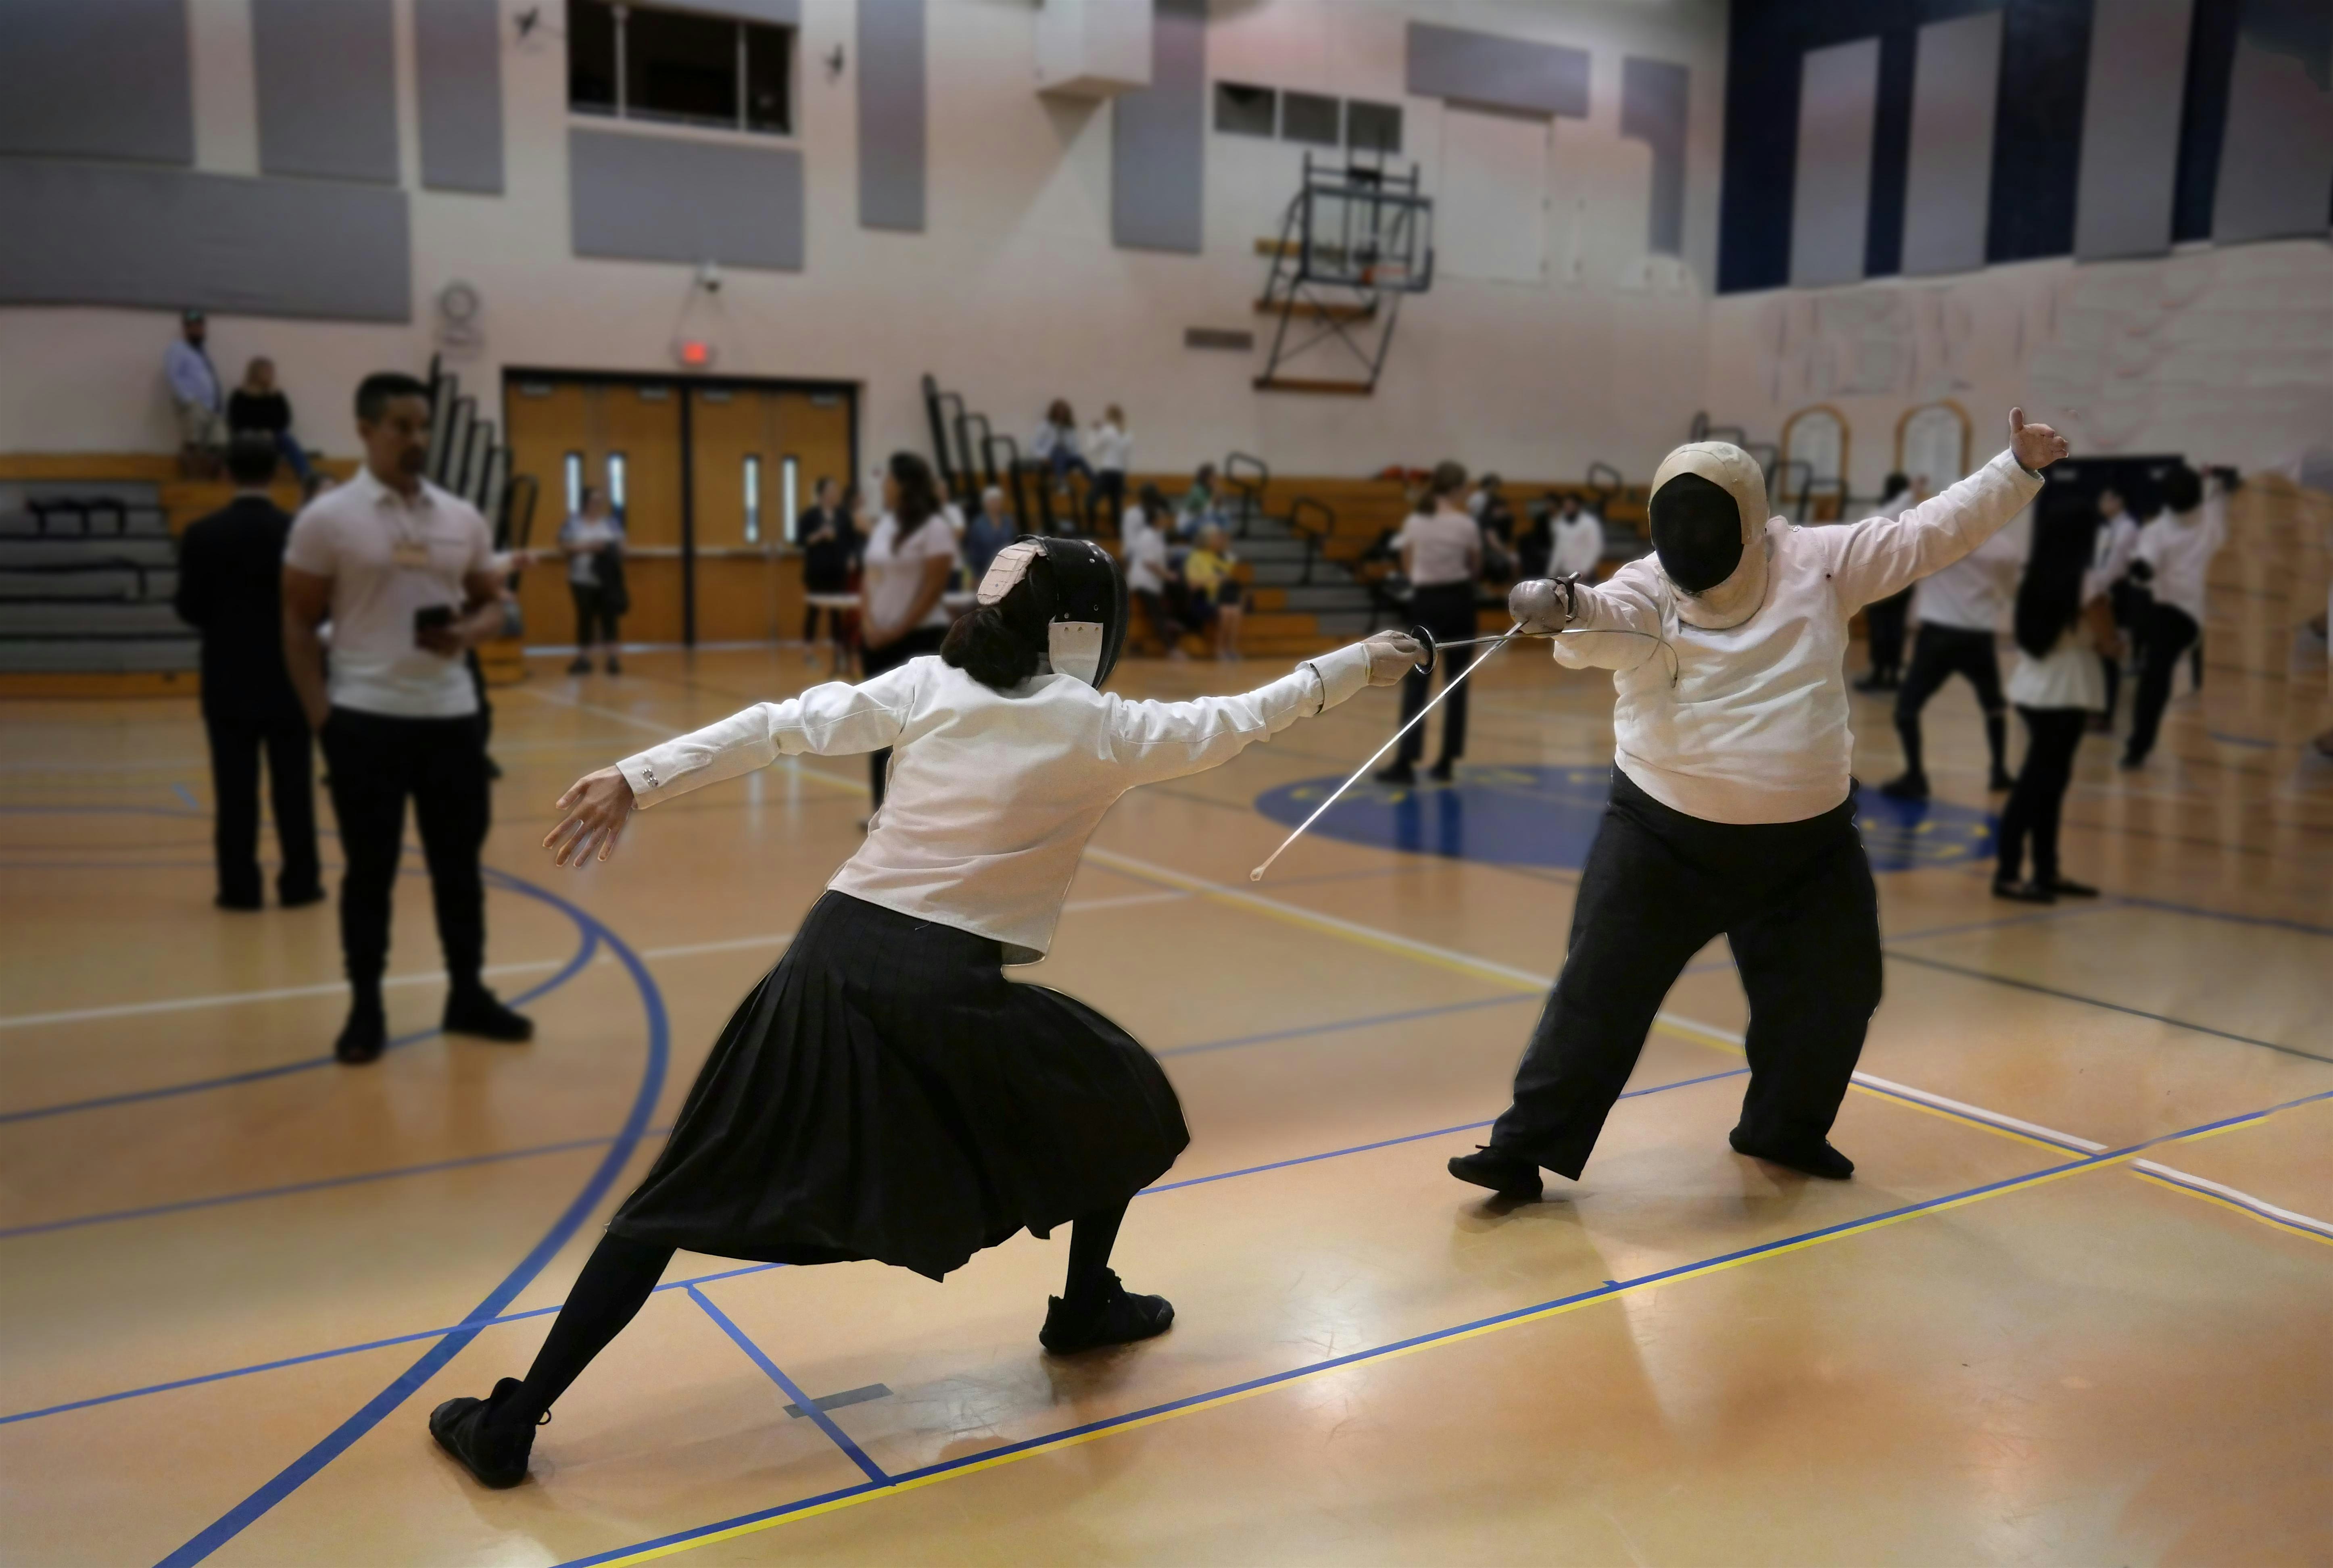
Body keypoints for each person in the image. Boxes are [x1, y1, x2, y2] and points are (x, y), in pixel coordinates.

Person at [424, 540, 1422, 1489]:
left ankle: (514, 1419)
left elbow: (780, 722)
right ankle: (1079, 1305)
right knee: (1113, 1096)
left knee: (686, 1192)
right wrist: (1358, 663)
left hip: (831, 963)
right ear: (1079, 630)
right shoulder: (1101, 725)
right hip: (937, 985)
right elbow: (1240, 717)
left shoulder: (928, 685)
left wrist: (638, 777)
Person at [1448, 410, 2066, 1200]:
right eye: (1680, 517)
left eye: (1709, 517)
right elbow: (1607, 623)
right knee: (1600, 989)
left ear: (1749, 520)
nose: (1693, 536)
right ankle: (1523, 1149)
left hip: (1806, 847)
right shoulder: (1648, 588)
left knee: (1837, 992)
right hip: (1659, 836)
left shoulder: (1820, 563)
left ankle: (1784, 1128)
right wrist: (1567, 611)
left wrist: (2014, 469)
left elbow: (1928, 533)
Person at [282, 371, 534, 1065]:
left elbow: (492, 602)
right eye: (401, 426)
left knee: (459, 868)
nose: (415, 439)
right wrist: (322, 722)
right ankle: (366, 1006)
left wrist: (471, 632)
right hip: (364, 719)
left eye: (422, 426)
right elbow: (298, 625)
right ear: (365, 431)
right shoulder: (327, 520)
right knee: (370, 872)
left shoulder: (460, 516)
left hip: (452, 718)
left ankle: (466, 994)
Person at [174, 434, 322, 911]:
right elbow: (315, 606)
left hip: (227, 679)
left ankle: (239, 889)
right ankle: (301, 884)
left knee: (234, 792)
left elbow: (189, 609)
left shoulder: (202, 534)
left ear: (226, 473)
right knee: (293, 789)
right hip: (289, 678)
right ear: (278, 472)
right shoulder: (296, 531)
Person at [1994, 505, 2118, 903]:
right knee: (2039, 786)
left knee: (2046, 784)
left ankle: (2044, 871)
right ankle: (2011, 875)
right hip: (2068, 690)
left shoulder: (2034, 579)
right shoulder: (2086, 583)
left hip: (2035, 688)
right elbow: (2110, 641)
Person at [1879, 475, 2025, 799]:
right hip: (1979, 637)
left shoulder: (1939, 536)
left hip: (1938, 637)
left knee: (1907, 708)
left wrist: (1910, 496)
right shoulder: (2004, 549)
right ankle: (2000, 772)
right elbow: (2011, 592)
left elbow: (1885, 522)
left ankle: (1916, 777)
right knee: (1994, 706)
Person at [859, 452, 961, 813]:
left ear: (903, 485)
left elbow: (932, 589)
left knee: (914, 727)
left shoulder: (935, 530)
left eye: (888, 480)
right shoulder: (885, 527)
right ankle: (881, 809)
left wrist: (898, 630)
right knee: (878, 724)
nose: (883, 487)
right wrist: (870, 623)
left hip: (918, 639)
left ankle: (918, 809)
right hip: (878, 640)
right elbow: (870, 580)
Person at [1376, 461, 1483, 786]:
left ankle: (1406, 761)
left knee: (1417, 684)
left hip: (1426, 604)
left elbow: (1408, 564)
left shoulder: (1415, 522)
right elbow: (1475, 566)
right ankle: (1446, 762)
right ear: (1456, 489)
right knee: (1457, 684)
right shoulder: (1465, 524)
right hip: (1460, 602)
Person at [2121, 464, 2228, 770]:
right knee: (2162, 683)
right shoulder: (2213, 515)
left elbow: (2145, 565)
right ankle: (2141, 747)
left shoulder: (2160, 529)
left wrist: (2140, 570)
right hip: (2192, 611)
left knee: (2158, 682)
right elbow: (2146, 564)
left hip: (2185, 612)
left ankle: (2138, 749)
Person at [1852, 472, 1918, 692]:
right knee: (1895, 627)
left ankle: (1880, 672)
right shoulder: (1911, 510)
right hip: (1905, 579)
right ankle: (1891, 672)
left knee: (1881, 627)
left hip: (1880, 580)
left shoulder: (1884, 512)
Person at [2087, 482, 2143, 730]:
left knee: (2109, 654)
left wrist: (2094, 592)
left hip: (2116, 597)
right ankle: (2096, 709)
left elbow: (2115, 568)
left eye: (2106, 499)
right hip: (2102, 594)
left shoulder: (2128, 528)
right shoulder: (2109, 529)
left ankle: (2106, 715)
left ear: (2119, 502)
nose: (2102, 504)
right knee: (2097, 654)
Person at [558, 486, 626, 676]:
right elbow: (564, 547)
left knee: (609, 618)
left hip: (608, 580)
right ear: (585, 502)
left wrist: (609, 549)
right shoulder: (573, 524)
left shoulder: (611, 523)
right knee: (585, 617)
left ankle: (612, 658)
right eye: (594, 501)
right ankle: (584, 658)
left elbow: (623, 548)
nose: (597, 505)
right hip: (581, 578)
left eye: (600, 501)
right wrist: (588, 547)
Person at [224, 356, 315, 487]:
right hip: (247, 437)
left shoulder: (276, 396)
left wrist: (269, 432)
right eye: (267, 371)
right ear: (256, 373)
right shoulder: (240, 396)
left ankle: (307, 476)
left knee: (286, 439)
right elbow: (236, 421)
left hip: (273, 437)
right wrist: (257, 432)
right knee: (243, 440)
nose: (270, 375)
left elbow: (284, 420)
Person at [1120, 484, 1187, 656]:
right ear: (1156, 520)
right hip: (1144, 581)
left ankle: (1175, 623)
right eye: (1162, 518)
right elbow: (1150, 563)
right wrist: (1167, 575)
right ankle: (1171, 649)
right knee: (1157, 614)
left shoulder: (1156, 536)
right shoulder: (1148, 536)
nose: (1165, 521)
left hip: (1152, 581)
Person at [797, 477, 858, 667]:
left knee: (836, 613)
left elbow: (851, 540)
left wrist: (852, 557)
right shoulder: (810, 516)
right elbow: (800, 541)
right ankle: (808, 653)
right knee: (814, 611)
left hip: (837, 570)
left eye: (836, 491)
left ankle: (839, 654)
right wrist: (818, 536)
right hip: (817, 571)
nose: (834, 494)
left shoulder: (843, 515)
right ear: (822, 493)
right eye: (831, 491)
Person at [166, 309, 223, 477]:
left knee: (220, 444)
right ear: (186, 329)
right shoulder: (178, 349)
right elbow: (173, 375)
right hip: (194, 404)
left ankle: (211, 483)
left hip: (212, 407)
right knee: (193, 443)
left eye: (200, 326)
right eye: (193, 327)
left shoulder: (202, 351)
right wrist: (189, 400)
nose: (197, 330)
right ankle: (190, 481)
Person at [1180, 523, 1244, 660]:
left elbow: (1229, 574)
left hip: (1221, 596)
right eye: (1216, 538)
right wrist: (1214, 578)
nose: (1219, 541)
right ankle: (1219, 649)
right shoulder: (1195, 557)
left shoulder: (1218, 557)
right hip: (1202, 598)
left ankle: (1230, 649)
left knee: (1235, 610)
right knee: (1226, 611)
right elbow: (1192, 585)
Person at [1030, 399, 1093, 493]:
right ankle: (1061, 483)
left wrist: (1075, 455)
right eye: (1059, 412)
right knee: (1059, 451)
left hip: (1066, 458)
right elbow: (1034, 445)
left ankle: (1097, 483)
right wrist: (1043, 457)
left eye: (1063, 412)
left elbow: (1075, 447)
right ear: (1054, 413)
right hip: (1049, 458)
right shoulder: (1046, 426)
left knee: (1080, 459)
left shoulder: (1070, 428)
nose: (1061, 415)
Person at [1086, 404, 1131, 531]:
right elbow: (1126, 458)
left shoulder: (1107, 431)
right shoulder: (1126, 433)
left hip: (1108, 472)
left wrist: (1094, 431)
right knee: (1116, 506)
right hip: (1119, 474)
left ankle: (1091, 531)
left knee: (1090, 501)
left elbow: (1092, 448)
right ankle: (1117, 535)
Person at [1548, 492, 1605, 585]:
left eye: (1571, 505)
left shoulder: (1589, 523)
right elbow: (1558, 549)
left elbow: (1595, 548)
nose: (1568, 508)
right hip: (1566, 572)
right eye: (1566, 505)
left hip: (1585, 573)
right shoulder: (1561, 523)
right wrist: (1552, 571)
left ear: (1578, 506)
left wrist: (1584, 570)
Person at [965, 486, 1018, 580]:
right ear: (985, 504)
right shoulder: (978, 525)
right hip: (985, 570)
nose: (995, 504)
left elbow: (1015, 543)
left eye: (998, 501)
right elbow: (974, 552)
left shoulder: (1008, 522)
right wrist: (976, 575)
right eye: (992, 501)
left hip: (1007, 569)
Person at [1177, 463, 1221, 540]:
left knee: (1221, 517)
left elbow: (1217, 509)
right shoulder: (1197, 490)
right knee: (1210, 521)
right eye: (1212, 478)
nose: (1215, 480)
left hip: (1199, 519)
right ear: (1205, 478)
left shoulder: (1208, 490)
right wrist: (1215, 493)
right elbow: (1208, 510)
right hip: (1188, 524)